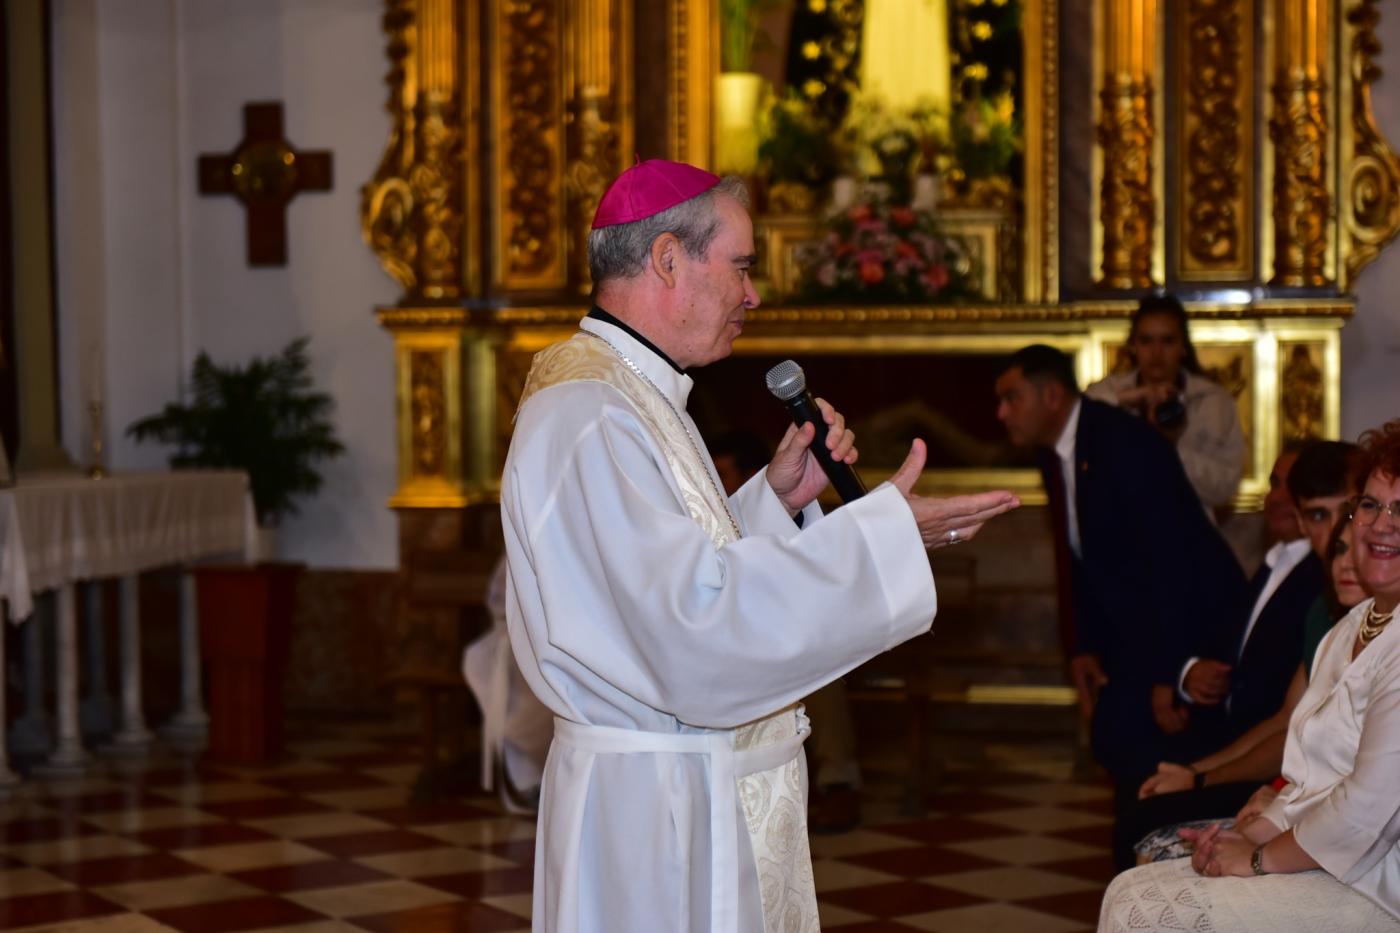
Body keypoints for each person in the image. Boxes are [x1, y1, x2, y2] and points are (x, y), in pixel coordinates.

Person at [501, 159, 1020, 933]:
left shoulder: (631, 392)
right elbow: (691, 632)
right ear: (669, 258)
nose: (753, 294)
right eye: (740, 267)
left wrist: (772, 502)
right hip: (654, 823)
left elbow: (673, 580)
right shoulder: (590, 411)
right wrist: (883, 536)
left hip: (679, 791)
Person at [1098, 419, 1400, 931]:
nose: (1382, 524)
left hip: (1377, 881)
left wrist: (1257, 858)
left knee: (1141, 910)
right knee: (1127, 889)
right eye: (1371, 505)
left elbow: (1367, 806)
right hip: (1326, 855)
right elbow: (1310, 779)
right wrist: (1252, 830)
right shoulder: (1349, 627)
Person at [995, 345, 1246, 854]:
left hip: (1190, 631)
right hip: (1133, 634)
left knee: (1153, 769)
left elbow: (1171, 565)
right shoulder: (1057, 450)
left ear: (1051, 395)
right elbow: (1080, 557)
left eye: (1011, 398)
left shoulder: (1123, 443)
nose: (1002, 413)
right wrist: (1082, 646)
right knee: (1120, 749)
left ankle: (1154, 899)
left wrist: (1167, 675)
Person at [1130, 518, 1365, 864]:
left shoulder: (1384, 643)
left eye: (1363, 552)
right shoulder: (1333, 625)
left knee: (1153, 838)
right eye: (1340, 550)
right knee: (1142, 809)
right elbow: (1286, 721)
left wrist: (1264, 839)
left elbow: (1364, 787)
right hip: (1296, 797)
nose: (1345, 563)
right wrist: (1198, 775)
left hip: (1344, 828)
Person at [1085, 293, 1245, 514]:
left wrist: (1170, 445)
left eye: (1167, 341)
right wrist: (1136, 396)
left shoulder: (1214, 402)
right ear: (1132, 346)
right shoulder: (1109, 393)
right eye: (1146, 341)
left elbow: (1224, 489)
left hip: (1188, 532)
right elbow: (1079, 417)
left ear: (1183, 347)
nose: (1156, 353)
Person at [462, 553, 552, 814]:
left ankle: (542, 778)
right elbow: (498, 598)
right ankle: (528, 780)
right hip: (516, 639)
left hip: (549, 644)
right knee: (490, 664)